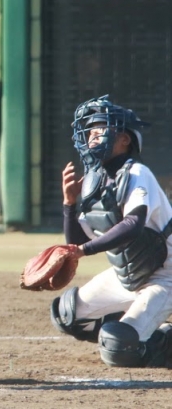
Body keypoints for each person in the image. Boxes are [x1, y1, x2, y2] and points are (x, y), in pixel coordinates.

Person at [53, 94, 172, 367]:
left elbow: (132, 225)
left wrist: (83, 251)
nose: (92, 136)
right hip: (129, 275)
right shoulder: (96, 181)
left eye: (100, 129)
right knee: (67, 315)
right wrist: (69, 203)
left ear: (124, 139)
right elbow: (77, 239)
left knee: (118, 348)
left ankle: (161, 341)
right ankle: (143, 329)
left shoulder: (137, 173)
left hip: (165, 277)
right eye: (90, 132)